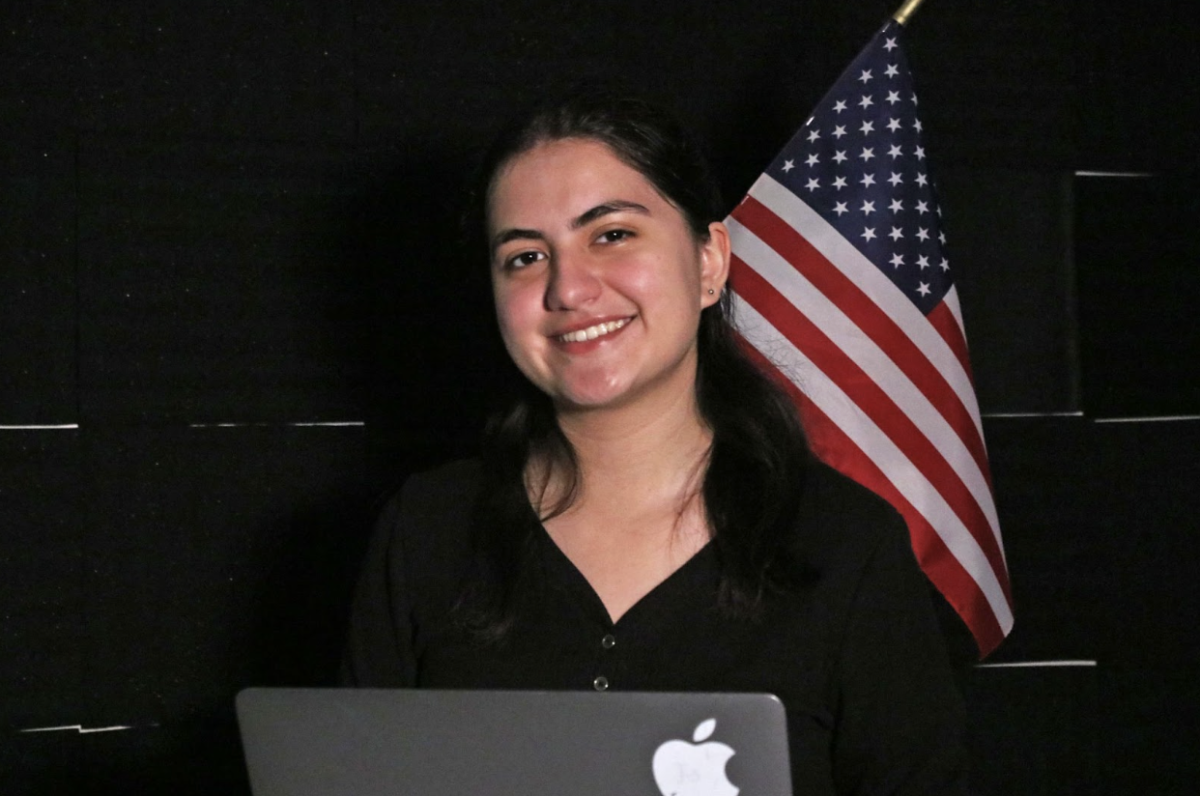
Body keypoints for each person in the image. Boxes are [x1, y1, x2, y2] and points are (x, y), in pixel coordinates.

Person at [342, 89, 967, 794]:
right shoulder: (425, 529)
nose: (568, 289)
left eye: (611, 234)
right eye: (523, 256)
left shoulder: (847, 544)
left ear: (708, 263)